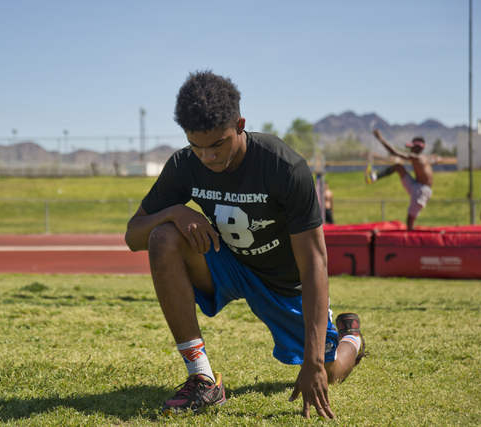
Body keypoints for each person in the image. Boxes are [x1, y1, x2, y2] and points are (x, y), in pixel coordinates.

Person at [125, 71, 367, 420]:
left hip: (284, 285)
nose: (207, 156)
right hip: (229, 264)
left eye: (217, 144)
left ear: (239, 124)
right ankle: (202, 377)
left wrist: (313, 360)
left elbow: (315, 264)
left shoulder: (285, 168)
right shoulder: (184, 164)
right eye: (197, 146)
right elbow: (133, 235)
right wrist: (175, 212)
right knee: (162, 237)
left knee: (327, 373)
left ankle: (352, 339)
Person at [368, 129, 434, 230]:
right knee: (398, 167)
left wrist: (380, 139)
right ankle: (374, 177)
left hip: (421, 190)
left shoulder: (418, 157)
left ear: (418, 147)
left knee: (410, 220)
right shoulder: (423, 158)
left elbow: (394, 152)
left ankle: (410, 242)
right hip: (416, 185)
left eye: (412, 147)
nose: (410, 149)